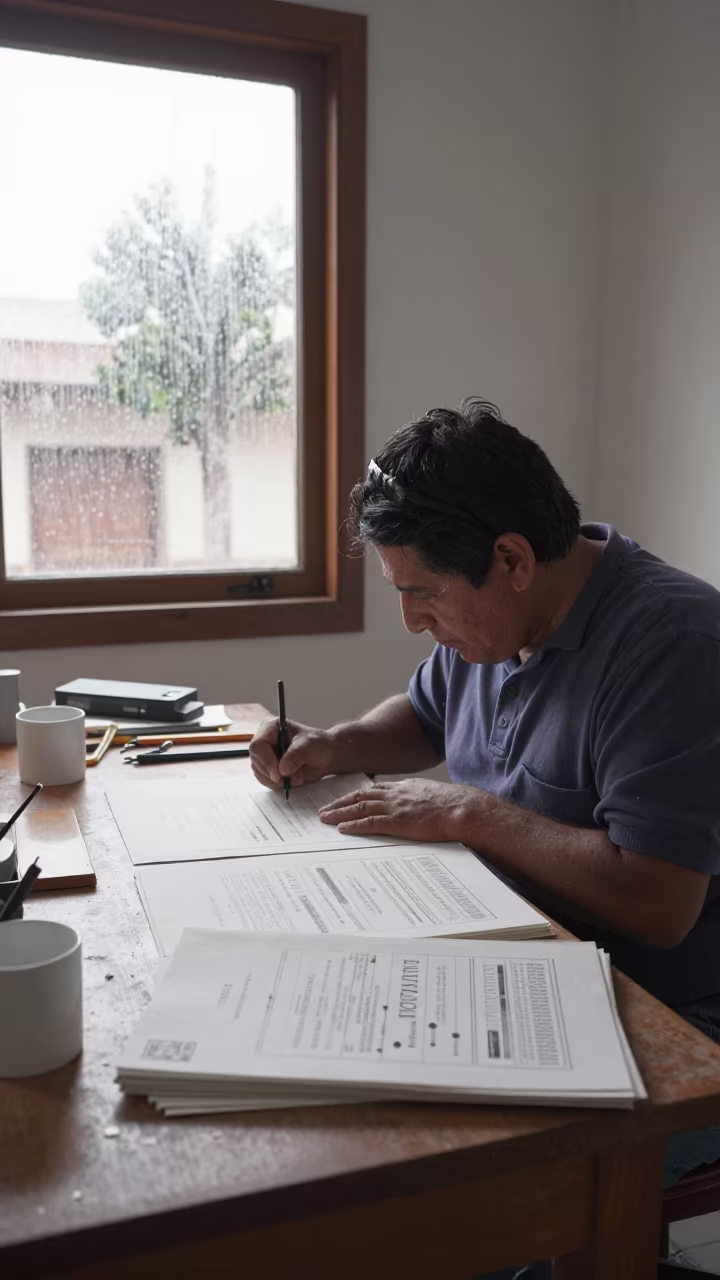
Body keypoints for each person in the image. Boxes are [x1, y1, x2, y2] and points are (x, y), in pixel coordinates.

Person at [250, 398, 720, 1280]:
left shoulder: (676, 643)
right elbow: (424, 716)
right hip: (531, 969)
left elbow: (658, 905)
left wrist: (469, 813)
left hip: (675, 1018)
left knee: (453, 1206)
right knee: (334, 1129)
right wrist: (337, 744)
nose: (412, 621)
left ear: (509, 558)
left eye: (420, 593)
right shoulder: (500, 624)